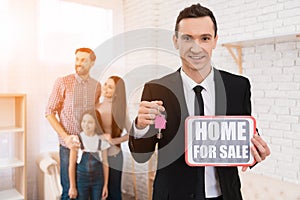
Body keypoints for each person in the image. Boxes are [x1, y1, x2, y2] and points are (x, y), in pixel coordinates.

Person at [129, 3, 271, 200]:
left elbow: (243, 138)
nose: (196, 48)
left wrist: (255, 152)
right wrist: (140, 126)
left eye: (204, 38)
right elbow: (141, 154)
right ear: (175, 41)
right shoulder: (157, 90)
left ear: (214, 41)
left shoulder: (238, 87)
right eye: (188, 38)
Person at [45, 47, 101, 200]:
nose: (79, 63)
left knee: (85, 193)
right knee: (69, 193)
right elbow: (49, 112)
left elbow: (94, 115)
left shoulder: (97, 87)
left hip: (88, 149)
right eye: (77, 59)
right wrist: (66, 137)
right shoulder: (63, 82)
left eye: (83, 60)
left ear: (92, 63)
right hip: (67, 147)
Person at [96, 76, 131, 200]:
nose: (105, 88)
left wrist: (114, 141)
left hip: (114, 156)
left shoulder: (121, 111)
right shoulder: (96, 107)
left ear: (117, 92)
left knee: (113, 192)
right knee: (99, 192)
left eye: (110, 87)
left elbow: (132, 134)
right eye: (105, 84)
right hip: (97, 157)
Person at [68, 110, 110, 200]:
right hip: (81, 180)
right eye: (84, 121)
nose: (86, 125)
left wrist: (105, 185)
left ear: (96, 124)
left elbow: (105, 164)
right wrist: (72, 187)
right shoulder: (77, 139)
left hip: (98, 181)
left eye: (90, 122)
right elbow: (71, 165)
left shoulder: (101, 141)